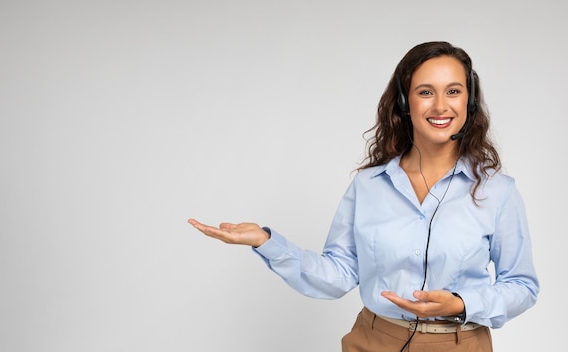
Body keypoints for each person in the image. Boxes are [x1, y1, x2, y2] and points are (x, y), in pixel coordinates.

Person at [188, 41, 539, 352]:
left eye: (453, 91)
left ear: (470, 101)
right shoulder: (368, 186)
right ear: (405, 102)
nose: (440, 106)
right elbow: (338, 274)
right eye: (425, 92)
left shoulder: (497, 191)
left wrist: (462, 303)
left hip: (459, 344)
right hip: (373, 340)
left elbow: (522, 285)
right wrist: (267, 242)